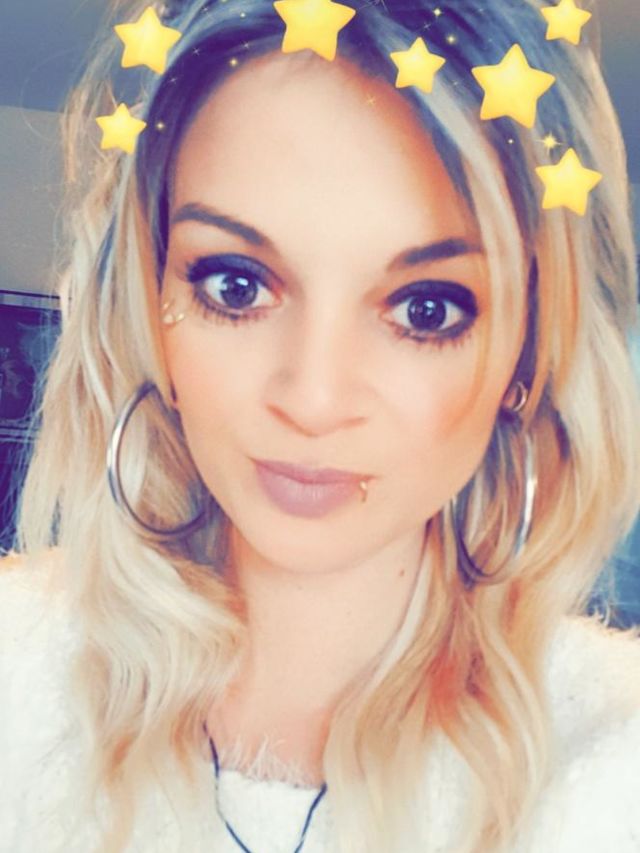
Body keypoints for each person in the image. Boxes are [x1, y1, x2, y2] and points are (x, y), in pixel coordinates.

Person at [1, 0, 640, 850]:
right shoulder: (18, 668)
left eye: (426, 309)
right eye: (235, 286)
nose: (312, 397)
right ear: (147, 309)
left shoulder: (614, 761)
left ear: (527, 356)